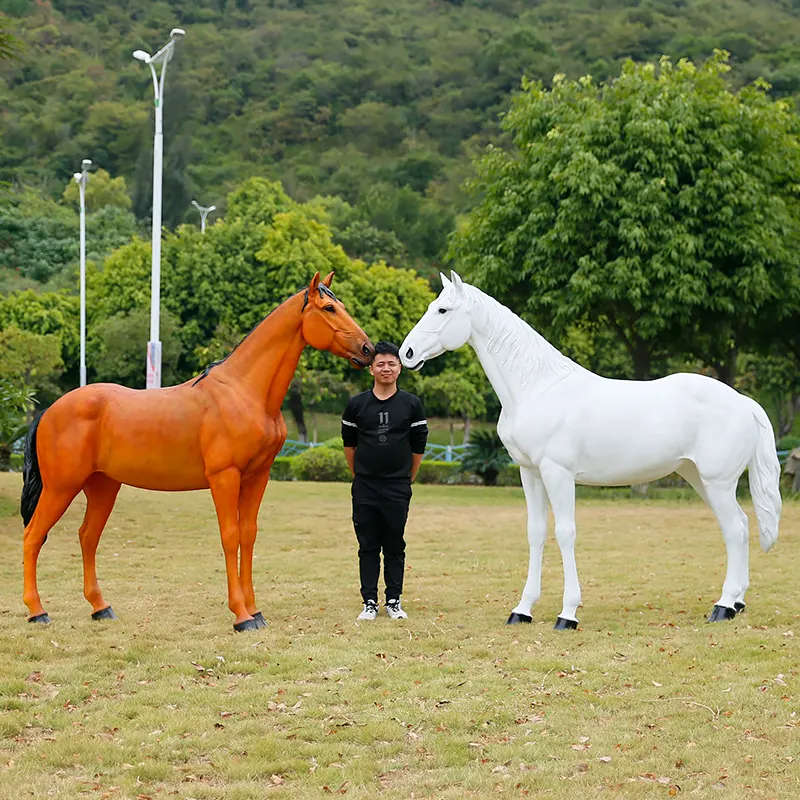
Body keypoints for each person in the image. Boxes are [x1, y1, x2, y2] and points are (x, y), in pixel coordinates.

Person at [341, 341, 428, 621]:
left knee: (394, 543)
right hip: (365, 486)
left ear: (399, 368)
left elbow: (418, 447)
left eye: (391, 363)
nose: (386, 368)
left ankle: (393, 600)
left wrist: (406, 478)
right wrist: (361, 475)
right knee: (367, 545)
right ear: (372, 369)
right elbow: (349, 446)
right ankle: (369, 601)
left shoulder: (412, 404)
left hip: (397, 486)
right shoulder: (356, 405)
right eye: (380, 363)